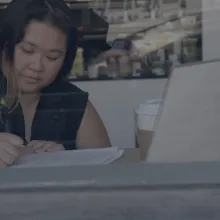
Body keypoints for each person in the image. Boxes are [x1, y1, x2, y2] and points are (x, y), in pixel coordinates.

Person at [0, 0, 112, 168]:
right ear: (4, 45)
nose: (37, 66)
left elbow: (109, 176)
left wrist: (67, 161)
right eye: (27, 50)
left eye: (52, 57)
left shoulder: (72, 102)